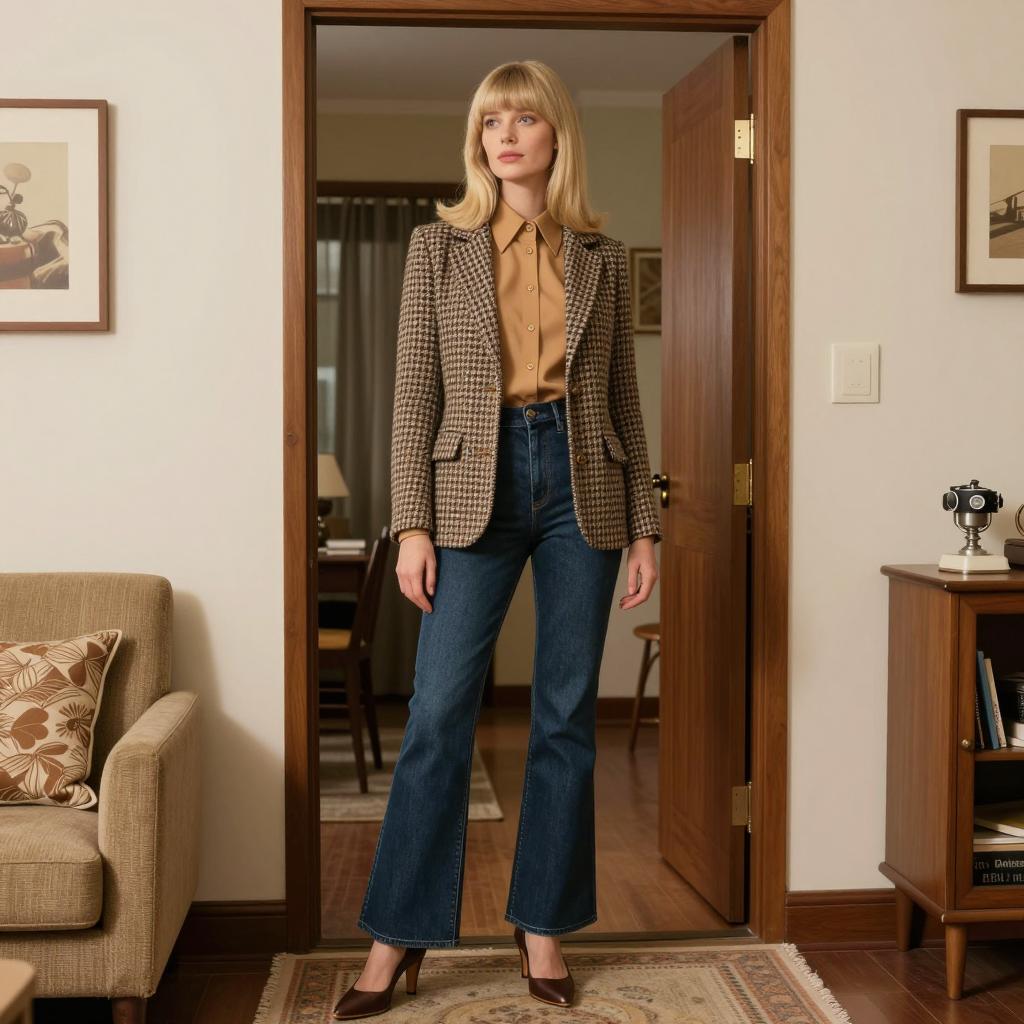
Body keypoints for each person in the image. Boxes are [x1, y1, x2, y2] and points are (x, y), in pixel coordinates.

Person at [333, 58, 661, 1020]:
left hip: (582, 484)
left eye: (523, 120)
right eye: (490, 123)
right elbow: (412, 401)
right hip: (470, 485)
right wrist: (413, 525)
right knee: (439, 714)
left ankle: (543, 925)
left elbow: (625, 407)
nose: (505, 135)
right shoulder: (439, 248)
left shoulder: (601, 256)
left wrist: (645, 526)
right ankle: (398, 934)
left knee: (564, 716)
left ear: (557, 134)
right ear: (478, 141)